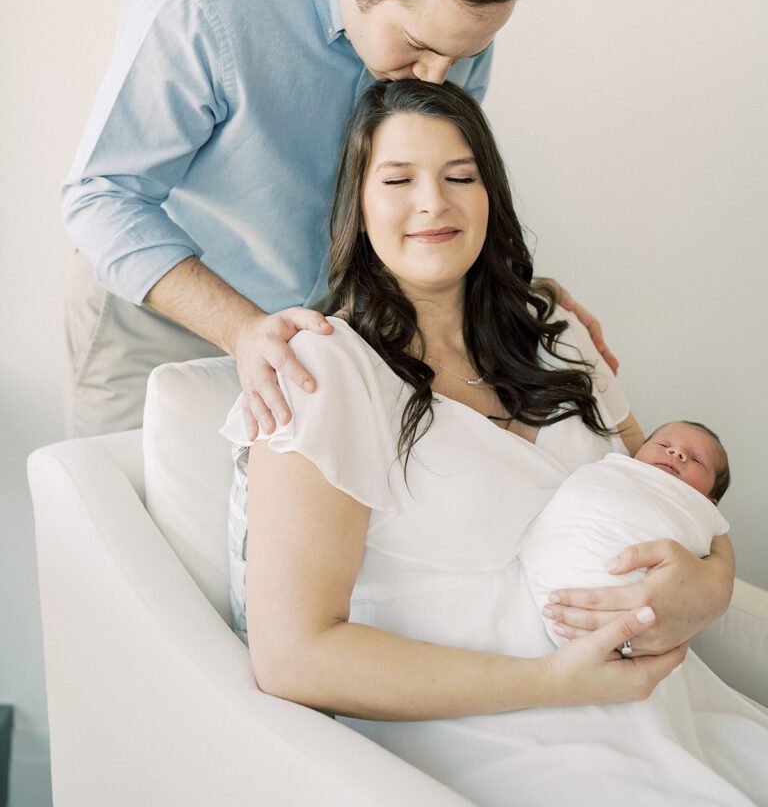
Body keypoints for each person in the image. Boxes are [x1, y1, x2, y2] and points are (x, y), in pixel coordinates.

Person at [221, 80, 766, 807]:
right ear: (358, 202)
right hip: (486, 741)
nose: (433, 203)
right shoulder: (322, 370)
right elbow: (293, 658)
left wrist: (713, 583)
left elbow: (670, 484)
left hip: (669, 711)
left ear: (491, 196)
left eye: (459, 177)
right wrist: (551, 685)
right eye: (398, 179)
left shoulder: (555, 331)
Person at [63, 0, 580, 439]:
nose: (441, 79)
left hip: (331, 329)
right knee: (126, 516)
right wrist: (240, 328)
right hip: (159, 317)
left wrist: (519, 305)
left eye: (466, 53)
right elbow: (101, 196)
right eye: (418, 46)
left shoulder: (445, 33)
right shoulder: (202, 5)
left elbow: (416, 195)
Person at [521, 421, 732, 647]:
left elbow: (713, 541)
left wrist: (717, 585)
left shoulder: (700, 511)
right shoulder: (615, 469)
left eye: (697, 460)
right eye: (663, 444)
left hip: (640, 623)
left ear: (710, 503)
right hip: (536, 598)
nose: (676, 452)